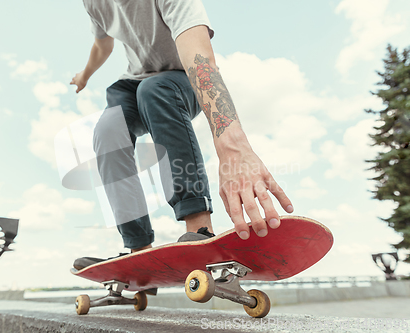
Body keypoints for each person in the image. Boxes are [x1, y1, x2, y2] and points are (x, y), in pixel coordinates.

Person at [71, 0, 294, 270]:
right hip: (132, 82)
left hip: (181, 79)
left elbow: (199, 59)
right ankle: (137, 247)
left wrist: (234, 147)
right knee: (108, 129)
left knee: (154, 91)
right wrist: (84, 75)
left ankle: (199, 232)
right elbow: (102, 44)